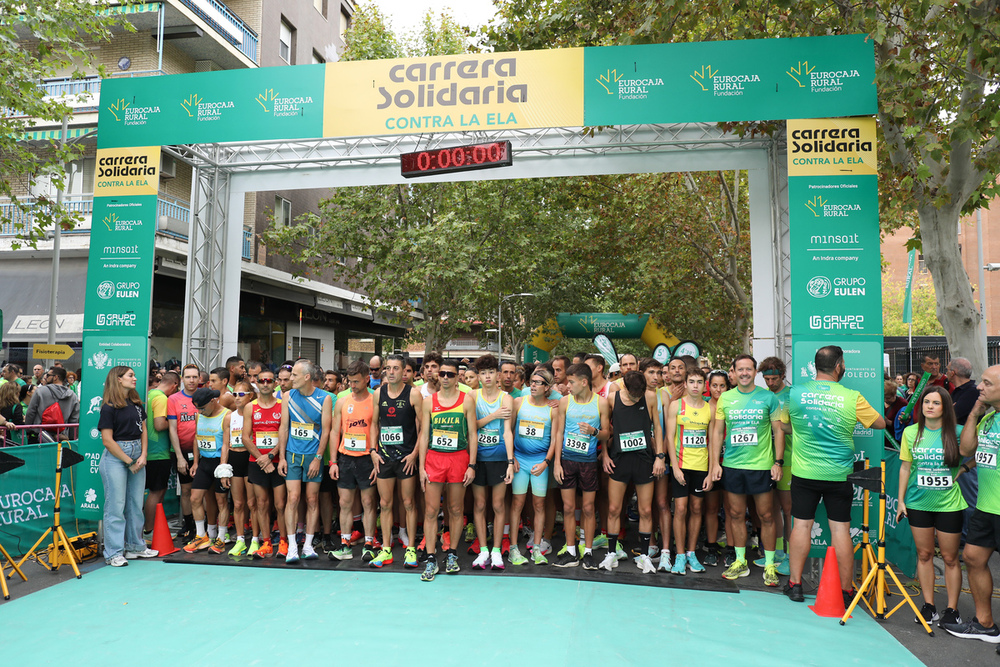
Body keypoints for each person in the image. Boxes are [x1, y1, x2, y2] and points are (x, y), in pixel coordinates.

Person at [781, 346, 885, 603]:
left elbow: (783, 424)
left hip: (805, 473)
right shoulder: (852, 396)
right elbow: (880, 423)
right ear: (839, 365)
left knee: (801, 525)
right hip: (839, 474)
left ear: (816, 365)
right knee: (840, 530)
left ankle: (795, 585)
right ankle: (846, 590)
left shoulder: (795, 393)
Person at [710, 354, 784, 586]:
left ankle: (770, 564)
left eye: (748, 369)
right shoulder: (725, 398)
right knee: (735, 515)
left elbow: (779, 431)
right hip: (732, 466)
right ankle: (740, 561)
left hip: (761, 467)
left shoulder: (768, 398)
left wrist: (778, 462)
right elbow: (716, 432)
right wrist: (715, 464)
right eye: (740, 369)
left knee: (766, 516)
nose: (744, 373)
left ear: (755, 372)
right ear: (733, 371)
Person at [896, 386, 967, 627]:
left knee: (949, 558)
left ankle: (952, 609)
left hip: (949, 504)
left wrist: (966, 468)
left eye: (936, 403)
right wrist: (901, 501)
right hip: (918, 503)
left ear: (945, 407)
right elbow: (905, 467)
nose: (929, 406)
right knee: (924, 554)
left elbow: (978, 452)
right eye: (926, 402)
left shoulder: (958, 432)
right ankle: (929, 606)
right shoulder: (910, 433)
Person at [943, 365, 1000, 643]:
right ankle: (984, 624)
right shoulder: (989, 418)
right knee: (973, 558)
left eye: (987, 384)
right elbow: (967, 449)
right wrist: (975, 413)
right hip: (986, 507)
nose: (979, 387)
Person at [418, 358, 478, 581]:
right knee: (431, 510)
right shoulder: (429, 402)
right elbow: (424, 435)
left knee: (455, 509)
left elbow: (473, 434)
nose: (444, 377)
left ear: (457, 377)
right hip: (434, 459)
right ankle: (431, 557)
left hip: (458, 459)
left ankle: (452, 553)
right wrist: (422, 466)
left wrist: (472, 465)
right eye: (442, 373)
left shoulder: (467, 400)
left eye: (450, 374)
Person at [601, 371, 665, 573]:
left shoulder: (651, 397)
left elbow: (658, 428)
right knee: (613, 509)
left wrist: (660, 457)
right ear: (625, 388)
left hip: (644, 460)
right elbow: (605, 430)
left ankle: (645, 555)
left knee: (645, 510)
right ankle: (611, 553)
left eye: (641, 393)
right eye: (634, 394)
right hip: (619, 460)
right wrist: (605, 455)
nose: (638, 397)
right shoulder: (612, 399)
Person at [552, 363, 610, 570]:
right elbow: (558, 433)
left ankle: (588, 552)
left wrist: (594, 432)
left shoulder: (601, 403)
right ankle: (570, 551)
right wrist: (557, 463)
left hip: (588, 462)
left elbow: (606, 434)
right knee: (568, 508)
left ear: (584, 382)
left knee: (587, 508)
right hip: (567, 460)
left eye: (572, 382)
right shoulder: (565, 402)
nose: (568, 385)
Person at [98, 365, 157, 566]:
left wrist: (144, 455)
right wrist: (129, 461)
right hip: (116, 458)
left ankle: (135, 547)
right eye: (130, 375)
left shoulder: (137, 404)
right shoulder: (108, 407)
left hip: (136, 454)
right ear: (118, 379)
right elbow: (107, 440)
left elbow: (143, 432)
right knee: (116, 505)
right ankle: (114, 552)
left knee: (135, 504)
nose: (134, 378)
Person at [369, 354, 423, 569]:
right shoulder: (378, 393)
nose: (391, 372)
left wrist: (415, 454)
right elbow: (374, 424)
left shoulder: (414, 394)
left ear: (404, 372)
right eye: (388, 368)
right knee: (385, 503)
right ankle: (385, 548)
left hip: (406, 457)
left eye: (395, 369)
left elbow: (422, 428)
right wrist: (372, 450)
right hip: (384, 456)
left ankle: (410, 548)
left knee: (408, 503)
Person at [277, 360, 333, 564]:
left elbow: (326, 430)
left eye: (294, 376)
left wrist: (318, 458)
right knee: (292, 498)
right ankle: (292, 546)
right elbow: (284, 427)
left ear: (307, 377)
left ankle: (308, 545)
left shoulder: (324, 398)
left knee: (311, 500)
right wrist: (282, 457)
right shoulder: (287, 396)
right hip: (292, 454)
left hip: (313, 457)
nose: (290, 379)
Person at [509, 368, 561, 566]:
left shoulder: (553, 408)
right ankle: (514, 548)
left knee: (539, 505)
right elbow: (510, 430)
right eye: (532, 381)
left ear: (547, 387)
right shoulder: (519, 402)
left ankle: (537, 548)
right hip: (520, 460)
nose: (533, 385)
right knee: (518, 504)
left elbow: (556, 439)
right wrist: (512, 457)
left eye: (538, 382)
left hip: (540, 461)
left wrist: (546, 462)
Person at [328, 361, 379, 562]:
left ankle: (368, 544)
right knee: (345, 503)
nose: (353, 385)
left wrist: (376, 459)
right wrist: (333, 462)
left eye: (357, 381)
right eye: (350, 381)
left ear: (367, 379)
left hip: (367, 458)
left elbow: (379, 429)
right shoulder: (342, 401)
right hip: (346, 458)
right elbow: (334, 432)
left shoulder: (375, 400)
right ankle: (345, 544)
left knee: (368, 502)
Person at [665, 367, 712, 575]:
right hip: (681, 466)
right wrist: (674, 467)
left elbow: (712, 441)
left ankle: (692, 553)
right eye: (691, 381)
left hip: (701, 467)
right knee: (681, 509)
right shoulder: (676, 405)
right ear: (685, 384)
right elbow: (669, 437)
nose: (695, 386)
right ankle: (680, 555)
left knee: (696, 509)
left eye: (699, 382)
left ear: (704, 385)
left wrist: (711, 472)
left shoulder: (710, 408)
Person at [470, 354, 515, 570]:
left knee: (498, 505)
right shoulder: (472, 396)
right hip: (477, 458)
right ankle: (483, 550)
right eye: (483, 373)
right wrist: (493, 415)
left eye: (490, 372)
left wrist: (509, 461)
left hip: (498, 458)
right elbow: (471, 427)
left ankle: (496, 550)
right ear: (478, 376)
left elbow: (507, 432)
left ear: (497, 375)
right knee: (479, 505)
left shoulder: (506, 398)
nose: (487, 377)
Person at [182, 388, 232, 555]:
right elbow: (196, 438)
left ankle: (221, 537)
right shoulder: (199, 415)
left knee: (221, 501)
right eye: (197, 408)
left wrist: (224, 468)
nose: (200, 411)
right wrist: (196, 462)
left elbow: (226, 443)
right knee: (195, 498)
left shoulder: (226, 415)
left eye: (202, 408)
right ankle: (201, 535)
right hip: (204, 463)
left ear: (213, 401)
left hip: (219, 462)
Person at [242, 368, 286, 558]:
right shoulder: (250, 407)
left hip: (277, 461)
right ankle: (266, 542)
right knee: (261, 503)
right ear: (257, 384)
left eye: (269, 381)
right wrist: (262, 459)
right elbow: (245, 437)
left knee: (280, 504)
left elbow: (284, 433)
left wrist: (271, 456)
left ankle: (283, 541)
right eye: (262, 381)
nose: (266, 384)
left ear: (274, 383)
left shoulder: (282, 405)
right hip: (257, 462)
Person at [758, 357, 793, 575]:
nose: (770, 383)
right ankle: (778, 552)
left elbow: (790, 427)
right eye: (766, 379)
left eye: (774, 378)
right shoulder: (764, 396)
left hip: (788, 458)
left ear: (782, 375)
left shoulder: (791, 395)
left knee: (788, 509)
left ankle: (791, 555)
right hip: (765, 459)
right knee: (771, 509)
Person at [142, 371, 179, 538]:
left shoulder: (149, 393)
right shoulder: (162, 398)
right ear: (174, 386)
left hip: (148, 450)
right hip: (158, 452)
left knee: (155, 491)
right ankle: (149, 530)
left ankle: (151, 528)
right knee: (156, 492)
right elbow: (159, 424)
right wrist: (175, 420)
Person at [168, 364, 200, 541]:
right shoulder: (173, 399)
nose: (192, 380)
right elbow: (172, 429)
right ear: (182, 379)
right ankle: (189, 526)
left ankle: (205, 527)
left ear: (199, 379)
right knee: (186, 490)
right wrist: (179, 456)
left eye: (195, 377)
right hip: (183, 451)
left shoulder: (205, 396)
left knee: (203, 491)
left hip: (205, 451)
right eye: (188, 377)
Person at [224, 381, 255, 555]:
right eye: (234, 394)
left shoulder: (254, 413)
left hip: (250, 457)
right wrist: (224, 466)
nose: (236, 398)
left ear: (250, 395)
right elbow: (225, 444)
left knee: (252, 503)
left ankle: (256, 539)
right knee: (237, 503)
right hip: (235, 458)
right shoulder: (230, 416)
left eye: (241, 394)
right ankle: (241, 539)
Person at [25, 366, 80, 441]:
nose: (45, 377)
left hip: (39, 436)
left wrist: (28, 430)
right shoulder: (72, 395)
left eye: (48, 375)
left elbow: (31, 412)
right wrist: (71, 438)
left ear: (56, 377)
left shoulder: (40, 391)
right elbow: (74, 419)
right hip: (61, 437)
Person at [947, 358, 977, 425]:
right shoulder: (958, 390)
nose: (946, 373)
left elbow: (952, 414)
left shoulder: (972, 392)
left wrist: (947, 409)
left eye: (947, 370)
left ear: (952, 373)